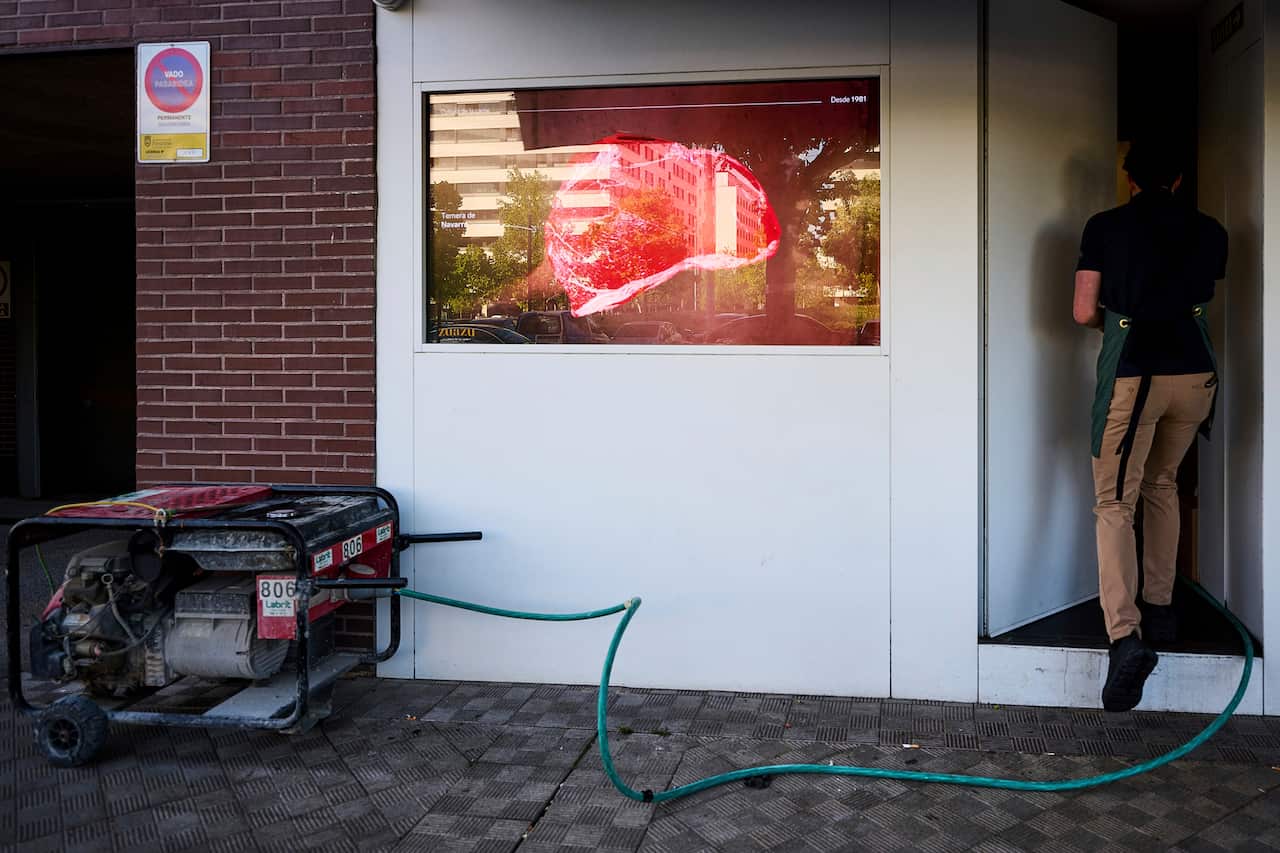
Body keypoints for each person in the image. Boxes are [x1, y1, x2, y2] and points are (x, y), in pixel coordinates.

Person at [1073, 141, 1227, 712]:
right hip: (1195, 376)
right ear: (1180, 179)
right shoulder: (1210, 229)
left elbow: (1084, 310)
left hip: (1135, 378)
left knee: (1114, 500)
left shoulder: (1105, 226)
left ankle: (1125, 637)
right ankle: (1161, 610)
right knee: (1163, 484)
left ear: (1128, 177)